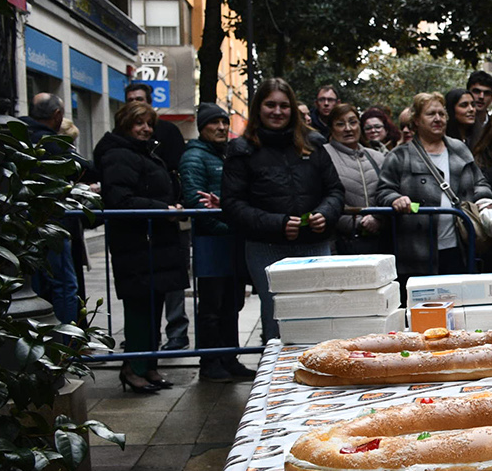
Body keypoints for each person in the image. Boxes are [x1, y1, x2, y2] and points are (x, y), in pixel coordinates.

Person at [222, 79, 345, 341]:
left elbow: (335, 190)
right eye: (270, 105)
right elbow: (232, 204)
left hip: (314, 245)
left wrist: (326, 212)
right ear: (258, 108)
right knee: (277, 317)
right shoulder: (242, 150)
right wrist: (275, 223)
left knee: (319, 315)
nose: (277, 112)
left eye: (284, 106)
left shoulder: (314, 144)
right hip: (266, 248)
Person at [94, 101, 188, 393]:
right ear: (125, 124)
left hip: (154, 243)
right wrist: (163, 209)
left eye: (149, 123)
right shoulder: (118, 155)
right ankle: (133, 368)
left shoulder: (143, 153)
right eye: (139, 123)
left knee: (153, 307)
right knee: (138, 309)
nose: (146, 129)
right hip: (137, 244)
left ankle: (148, 365)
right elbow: (120, 199)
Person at [378, 91, 492, 285]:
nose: (438, 119)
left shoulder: (459, 149)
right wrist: (394, 199)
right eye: (431, 114)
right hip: (417, 251)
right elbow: (383, 190)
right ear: (416, 120)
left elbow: (480, 182)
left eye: (442, 114)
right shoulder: (399, 156)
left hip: (459, 247)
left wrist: (484, 202)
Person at [179, 103, 253, 382]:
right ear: (202, 127)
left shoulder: (224, 154)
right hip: (211, 243)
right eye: (215, 123)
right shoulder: (194, 157)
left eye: (225, 122)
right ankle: (210, 362)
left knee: (231, 304)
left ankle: (228, 358)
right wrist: (234, 225)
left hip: (229, 242)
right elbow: (195, 202)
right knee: (212, 306)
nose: (222, 127)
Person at [126, 79, 188, 348]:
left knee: (173, 280)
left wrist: (173, 206)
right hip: (140, 226)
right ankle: (144, 342)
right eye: (131, 100)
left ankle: (176, 332)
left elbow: (177, 172)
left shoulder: (168, 132)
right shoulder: (122, 141)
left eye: (140, 99)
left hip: (168, 219)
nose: (136, 106)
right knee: (142, 290)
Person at [21, 93, 86, 323]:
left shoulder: (20, 135)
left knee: (39, 282)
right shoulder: (51, 143)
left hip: (27, 224)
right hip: (51, 222)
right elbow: (86, 168)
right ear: (57, 115)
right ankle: (65, 344)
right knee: (64, 283)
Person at [323, 103, 389, 255]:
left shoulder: (377, 157)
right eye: (340, 124)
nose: (348, 128)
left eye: (353, 122)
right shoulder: (323, 155)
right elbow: (322, 199)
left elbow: (389, 192)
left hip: (380, 241)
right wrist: (358, 223)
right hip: (340, 243)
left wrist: (379, 219)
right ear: (331, 128)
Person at [466, 69, 492, 146]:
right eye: (476, 91)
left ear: (491, 98)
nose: (481, 97)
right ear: (467, 93)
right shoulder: (457, 126)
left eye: (486, 93)